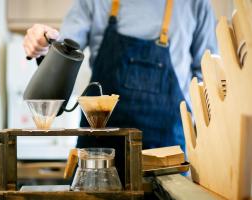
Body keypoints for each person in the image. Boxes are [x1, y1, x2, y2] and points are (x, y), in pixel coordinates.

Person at [23, 0, 217, 175]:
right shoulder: (93, 2)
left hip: (167, 154)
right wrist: (44, 43)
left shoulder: (196, 4)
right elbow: (63, 51)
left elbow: (207, 75)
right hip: (99, 157)